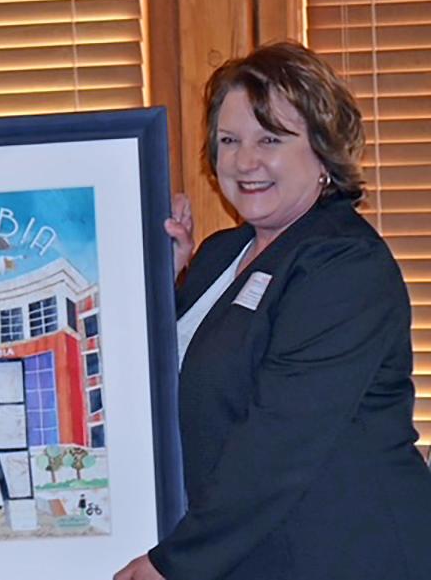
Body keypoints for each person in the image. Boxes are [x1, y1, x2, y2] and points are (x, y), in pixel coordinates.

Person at [115, 41, 431, 580]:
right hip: (258, 555)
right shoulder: (219, 254)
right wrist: (157, 283)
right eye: (229, 140)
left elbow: (278, 443)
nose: (245, 161)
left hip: (343, 555)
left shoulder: (342, 264)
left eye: (271, 139)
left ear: (324, 152)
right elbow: (172, 395)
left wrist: (173, 564)